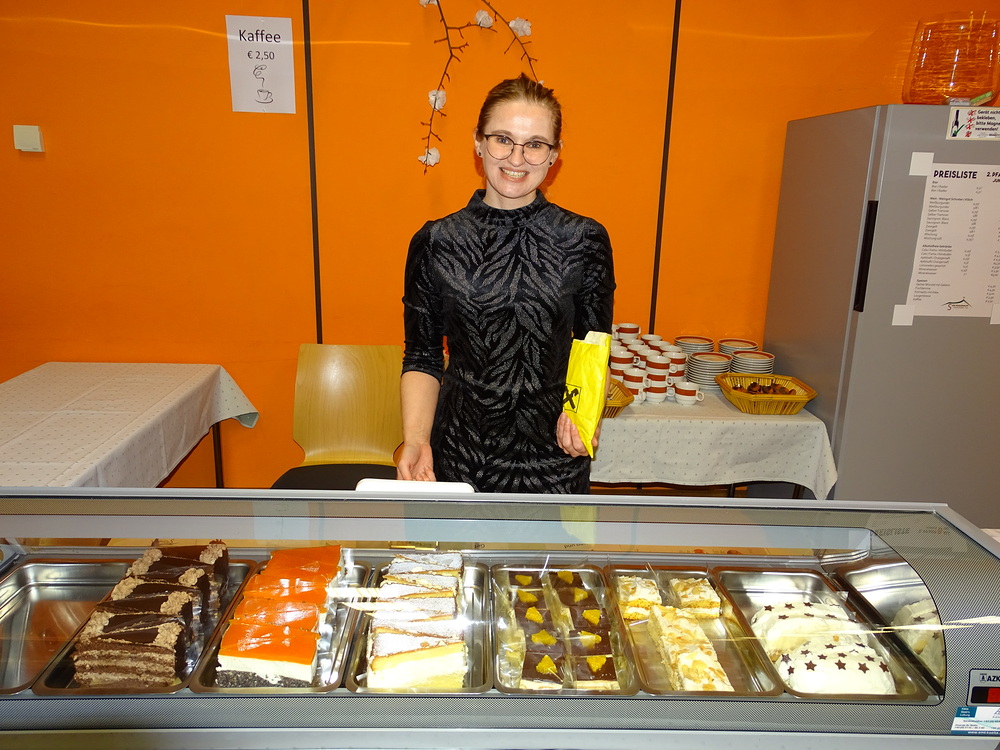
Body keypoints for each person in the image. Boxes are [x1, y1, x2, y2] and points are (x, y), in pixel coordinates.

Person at [397, 73, 615, 493]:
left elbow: (593, 345)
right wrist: (417, 439)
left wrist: (585, 413)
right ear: (478, 142)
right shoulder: (436, 241)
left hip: (556, 459)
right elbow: (422, 356)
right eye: (502, 139)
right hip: (460, 456)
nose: (517, 158)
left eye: (535, 144)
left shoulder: (585, 239)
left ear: (554, 155)